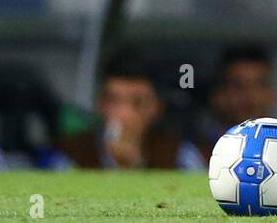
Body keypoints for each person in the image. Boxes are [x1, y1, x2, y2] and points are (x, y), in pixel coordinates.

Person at [56, 53, 205, 169]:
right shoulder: (70, 154)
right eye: (113, 101)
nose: (124, 114)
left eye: (138, 103)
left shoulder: (180, 155)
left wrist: (133, 165)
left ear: (157, 108)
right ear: (100, 104)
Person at [202, 44, 277, 145]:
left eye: (259, 85)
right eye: (238, 86)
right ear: (217, 96)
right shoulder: (193, 155)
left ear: (271, 94)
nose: (250, 95)